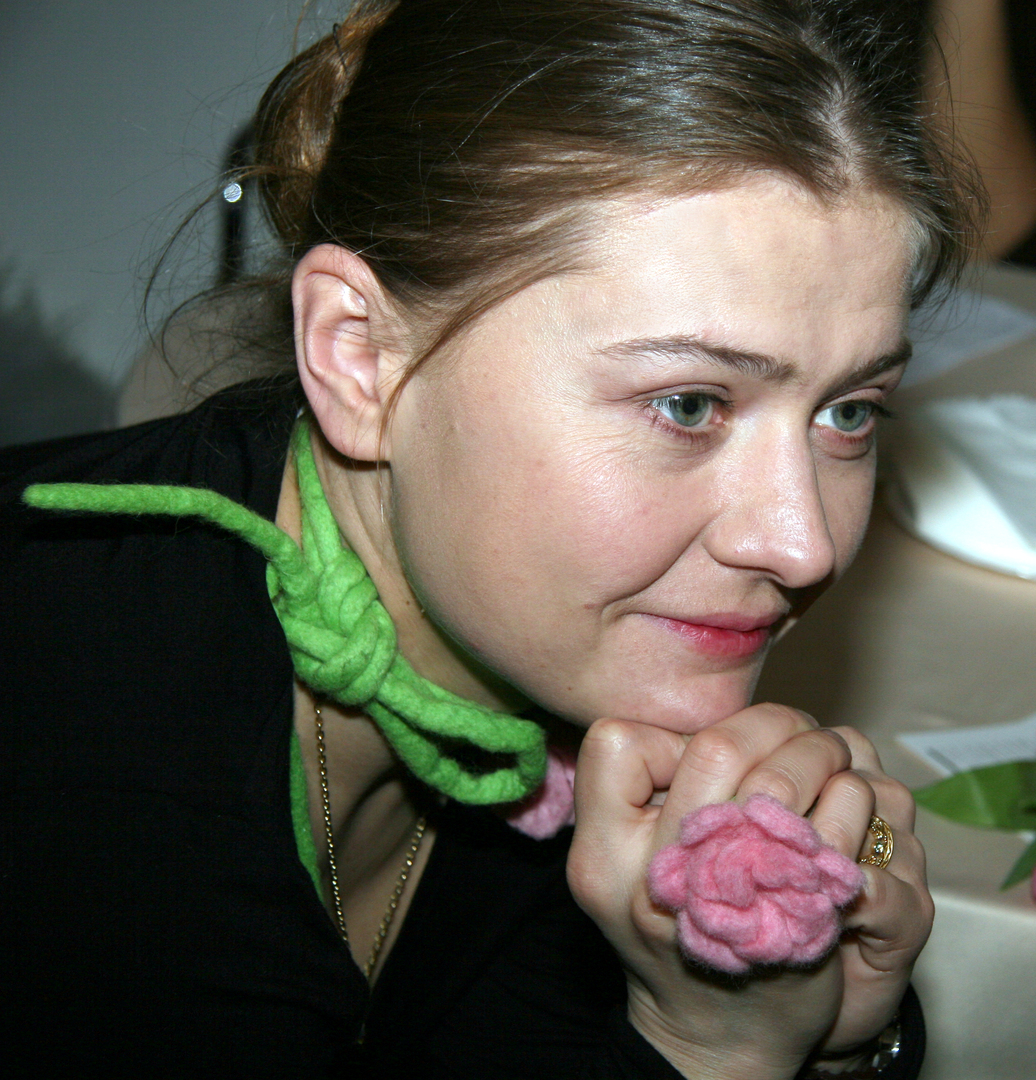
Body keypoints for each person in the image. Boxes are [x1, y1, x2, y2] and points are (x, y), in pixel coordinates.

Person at [0, 1, 979, 1075]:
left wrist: (841, 1042)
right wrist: (712, 1052)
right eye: (689, 404)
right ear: (360, 357)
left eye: (849, 412)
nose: (802, 545)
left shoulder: (550, 667)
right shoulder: (75, 779)